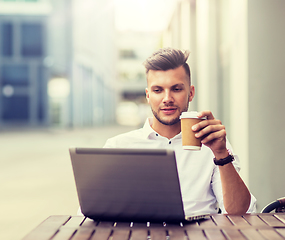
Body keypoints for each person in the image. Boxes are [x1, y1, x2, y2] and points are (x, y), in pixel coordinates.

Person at [105, 47, 256, 215]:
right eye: (158, 90)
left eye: (176, 89)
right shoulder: (118, 146)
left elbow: (241, 213)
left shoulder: (213, 144)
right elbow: (90, 214)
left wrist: (221, 154)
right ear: (148, 95)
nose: (167, 99)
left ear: (191, 93)